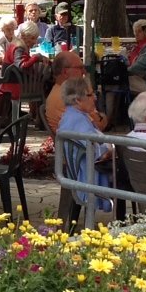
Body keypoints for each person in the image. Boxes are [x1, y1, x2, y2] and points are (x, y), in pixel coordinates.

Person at [55, 77, 113, 211]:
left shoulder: (73, 115)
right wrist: (110, 150)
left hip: (80, 170)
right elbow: (96, 152)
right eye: (90, 94)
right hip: (85, 173)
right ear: (77, 99)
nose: (95, 98)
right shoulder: (77, 120)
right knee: (127, 176)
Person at [45, 51, 105, 132]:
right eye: (80, 68)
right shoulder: (66, 96)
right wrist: (102, 117)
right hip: (79, 143)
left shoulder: (64, 91)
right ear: (65, 72)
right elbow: (98, 126)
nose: (84, 71)